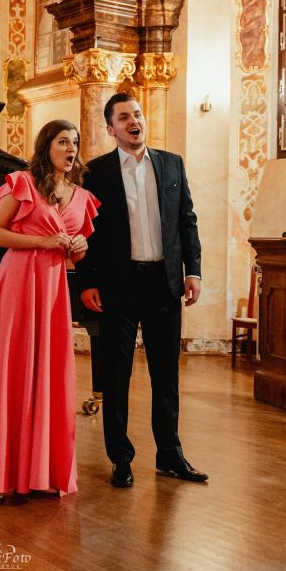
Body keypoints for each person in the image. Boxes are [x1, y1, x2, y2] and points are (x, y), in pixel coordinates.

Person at [0, 119, 100, 499]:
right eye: (62, 142)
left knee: (50, 372)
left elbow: (76, 248)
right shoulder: (22, 183)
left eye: (74, 142)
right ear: (46, 147)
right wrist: (44, 241)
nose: (70, 149)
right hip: (19, 282)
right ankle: (3, 475)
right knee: (16, 366)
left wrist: (79, 247)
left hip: (54, 288)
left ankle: (43, 473)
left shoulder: (81, 196)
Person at [79, 93, 207, 488]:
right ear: (111, 128)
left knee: (166, 375)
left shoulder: (171, 164)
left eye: (136, 114)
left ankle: (170, 454)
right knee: (116, 376)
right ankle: (120, 458)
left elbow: (187, 220)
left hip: (164, 283)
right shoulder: (95, 172)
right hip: (118, 286)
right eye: (123, 117)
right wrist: (87, 281)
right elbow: (86, 230)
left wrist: (193, 271)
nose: (134, 121)